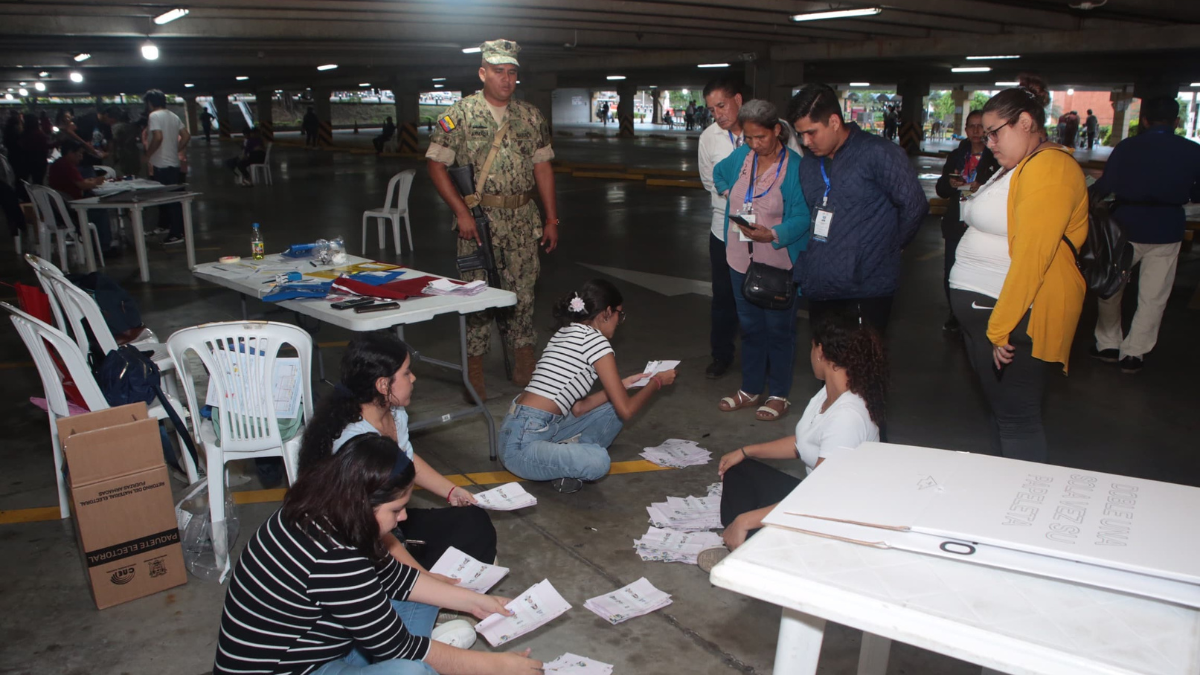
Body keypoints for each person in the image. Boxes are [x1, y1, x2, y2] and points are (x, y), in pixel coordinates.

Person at [213, 433, 543, 675]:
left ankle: (439, 649)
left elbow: (398, 579)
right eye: (397, 509)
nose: (403, 518)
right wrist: (496, 667)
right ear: (362, 503)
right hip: (295, 669)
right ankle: (440, 653)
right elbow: (398, 648)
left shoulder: (323, 510)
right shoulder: (334, 557)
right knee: (412, 671)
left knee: (418, 597)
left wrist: (475, 601)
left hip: (322, 646)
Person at [949, 75, 1088, 463]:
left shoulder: (1050, 169)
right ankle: (1004, 495)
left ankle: (1023, 508)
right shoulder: (1019, 164)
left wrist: (999, 327)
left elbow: (1033, 257)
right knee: (1004, 415)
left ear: (1026, 123)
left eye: (995, 134)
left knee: (1017, 420)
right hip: (994, 311)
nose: (989, 144)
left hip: (1016, 316)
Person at [696, 311, 886, 571]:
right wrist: (746, 451)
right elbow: (803, 443)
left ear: (820, 351)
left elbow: (817, 497)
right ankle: (750, 546)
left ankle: (756, 550)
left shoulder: (848, 417)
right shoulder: (829, 393)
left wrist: (746, 520)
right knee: (739, 470)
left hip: (832, 518)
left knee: (748, 517)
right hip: (817, 501)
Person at [427, 39, 559, 401]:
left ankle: (524, 361)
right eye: (498, 71)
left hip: (522, 217)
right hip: (479, 220)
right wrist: (461, 212)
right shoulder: (460, 115)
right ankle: (475, 371)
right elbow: (436, 166)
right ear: (483, 72)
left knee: (524, 292)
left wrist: (551, 218)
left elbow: (543, 167)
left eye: (512, 72)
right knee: (476, 296)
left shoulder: (531, 116)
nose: (506, 79)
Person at [299, 332, 497, 572]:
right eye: (406, 372)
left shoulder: (392, 412)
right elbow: (370, 530)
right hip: (360, 537)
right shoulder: (354, 443)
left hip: (387, 519)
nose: (413, 378)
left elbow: (406, 459)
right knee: (454, 560)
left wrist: (451, 491)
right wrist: (423, 577)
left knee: (474, 521)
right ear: (383, 384)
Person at [497, 279, 676, 493]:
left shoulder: (566, 332)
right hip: (521, 448)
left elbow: (579, 408)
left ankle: (567, 454)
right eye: (620, 314)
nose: (620, 321)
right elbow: (627, 411)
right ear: (607, 312)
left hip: (526, 426)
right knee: (599, 461)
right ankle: (572, 455)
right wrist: (657, 382)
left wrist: (624, 385)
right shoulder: (598, 343)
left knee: (612, 407)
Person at [787, 83, 929, 334]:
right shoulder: (809, 163)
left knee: (860, 368)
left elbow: (914, 205)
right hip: (821, 283)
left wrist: (891, 246)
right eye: (800, 134)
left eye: (811, 132)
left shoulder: (879, 153)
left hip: (866, 287)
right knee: (827, 365)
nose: (805, 141)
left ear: (833, 121)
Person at [713, 100, 811, 421]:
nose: (755, 145)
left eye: (761, 138)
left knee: (779, 332)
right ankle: (751, 388)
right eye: (749, 138)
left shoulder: (796, 167)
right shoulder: (742, 157)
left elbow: (802, 216)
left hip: (777, 264)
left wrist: (773, 233)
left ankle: (779, 394)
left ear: (777, 131)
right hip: (739, 260)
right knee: (751, 329)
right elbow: (718, 172)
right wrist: (728, 192)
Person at [1089, 96, 1200, 373]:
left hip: (1125, 227)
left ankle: (1108, 344)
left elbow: (1106, 186)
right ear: (1177, 122)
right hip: (1168, 227)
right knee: (1153, 296)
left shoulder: (1127, 147)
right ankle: (1134, 354)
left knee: (1111, 286)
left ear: (1145, 121)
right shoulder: (1192, 150)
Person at [698, 77, 746, 381]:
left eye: (722, 105)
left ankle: (763, 355)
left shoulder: (770, 129)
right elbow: (707, 180)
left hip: (765, 232)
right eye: (712, 109)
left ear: (738, 100)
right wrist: (735, 195)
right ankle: (721, 355)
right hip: (723, 230)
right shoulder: (709, 138)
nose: (718, 114)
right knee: (723, 296)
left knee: (763, 296)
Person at [935, 110, 1000, 333]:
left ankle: (982, 313)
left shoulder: (996, 157)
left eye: (979, 126)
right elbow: (941, 189)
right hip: (956, 223)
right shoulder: (956, 156)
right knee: (951, 270)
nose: (975, 131)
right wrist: (950, 183)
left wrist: (982, 186)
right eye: (970, 126)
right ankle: (954, 313)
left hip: (982, 225)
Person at [47, 139, 114, 252]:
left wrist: (90, 181)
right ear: (70, 153)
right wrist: (95, 182)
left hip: (61, 208)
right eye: (79, 154)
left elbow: (78, 181)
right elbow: (82, 185)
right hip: (71, 209)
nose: (81, 157)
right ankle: (103, 247)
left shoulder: (58, 164)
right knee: (101, 210)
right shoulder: (67, 165)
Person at [143, 89, 190, 245]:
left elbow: (158, 137)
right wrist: (176, 149)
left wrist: (148, 154)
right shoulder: (173, 116)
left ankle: (176, 233)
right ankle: (170, 227)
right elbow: (186, 136)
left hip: (161, 163)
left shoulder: (154, 116)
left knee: (170, 200)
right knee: (171, 198)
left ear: (150, 103)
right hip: (173, 163)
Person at [109, 109, 141, 177]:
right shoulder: (133, 126)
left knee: (125, 172)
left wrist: (114, 153)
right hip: (130, 151)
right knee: (133, 172)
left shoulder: (117, 126)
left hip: (124, 151)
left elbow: (114, 140)